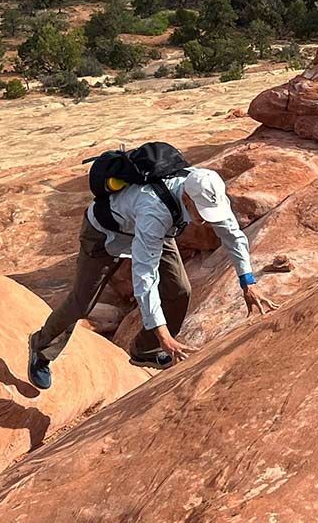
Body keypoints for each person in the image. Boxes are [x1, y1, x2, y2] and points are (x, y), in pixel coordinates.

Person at [27, 164, 276, 388]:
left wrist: (248, 282)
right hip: (106, 236)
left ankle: (144, 350)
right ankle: (41, 347)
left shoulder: (205, 189)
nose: (203, 220)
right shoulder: (153, 210)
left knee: (180, 289)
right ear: (187, 198)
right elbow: (145, 277)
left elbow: (233, 236)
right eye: (201, 212)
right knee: (82, 303)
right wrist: (163, 333)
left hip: (157, 232)